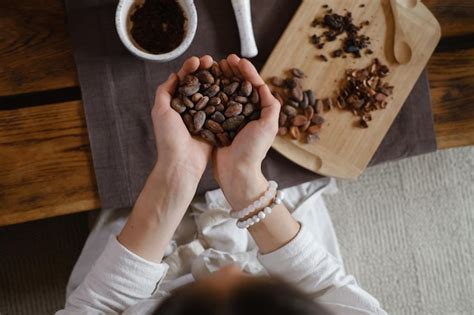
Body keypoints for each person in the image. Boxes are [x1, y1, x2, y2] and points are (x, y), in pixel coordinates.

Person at [56, 55, 387, 315]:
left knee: (115, 196)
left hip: (133, 276)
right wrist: (245, 184)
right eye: (254, 293)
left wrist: (174, 177)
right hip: (283, 254)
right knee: (298, 190)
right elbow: (325, 287)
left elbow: (97, 307)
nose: (229, 272)